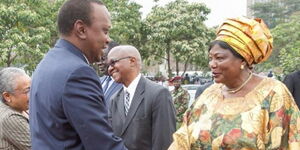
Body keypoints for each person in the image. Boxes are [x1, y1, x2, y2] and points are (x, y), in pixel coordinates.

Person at [169, 17, 300, 149]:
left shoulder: (273, 93)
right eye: (210, 58)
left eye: (219, 58)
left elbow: (286, 142)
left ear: (243, 60)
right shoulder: (208, 95)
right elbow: (182, 140)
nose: (212, 64)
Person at [29, 0, 126, 149]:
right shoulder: (78, 73)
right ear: (81, 29)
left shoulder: (46, 64)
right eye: (105, 31)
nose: (108, 39)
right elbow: (103, 145)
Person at [107, 45, 176, 150]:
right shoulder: (114, 100)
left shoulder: (158, 94)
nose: (109, 69)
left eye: (113, 63)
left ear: (132, 61)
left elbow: (164, 143)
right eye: (108, 65)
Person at [0, 67, 31, 150]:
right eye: (27, 91)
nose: (32, 94)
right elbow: (39, 146)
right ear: (7, 96)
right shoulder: (10, 117)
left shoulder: (20, 108)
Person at [99, 41, 123, 106]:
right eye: (98, 58)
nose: (99, 62)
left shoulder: (125, 84)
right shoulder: (98, 81)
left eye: (103, 58)